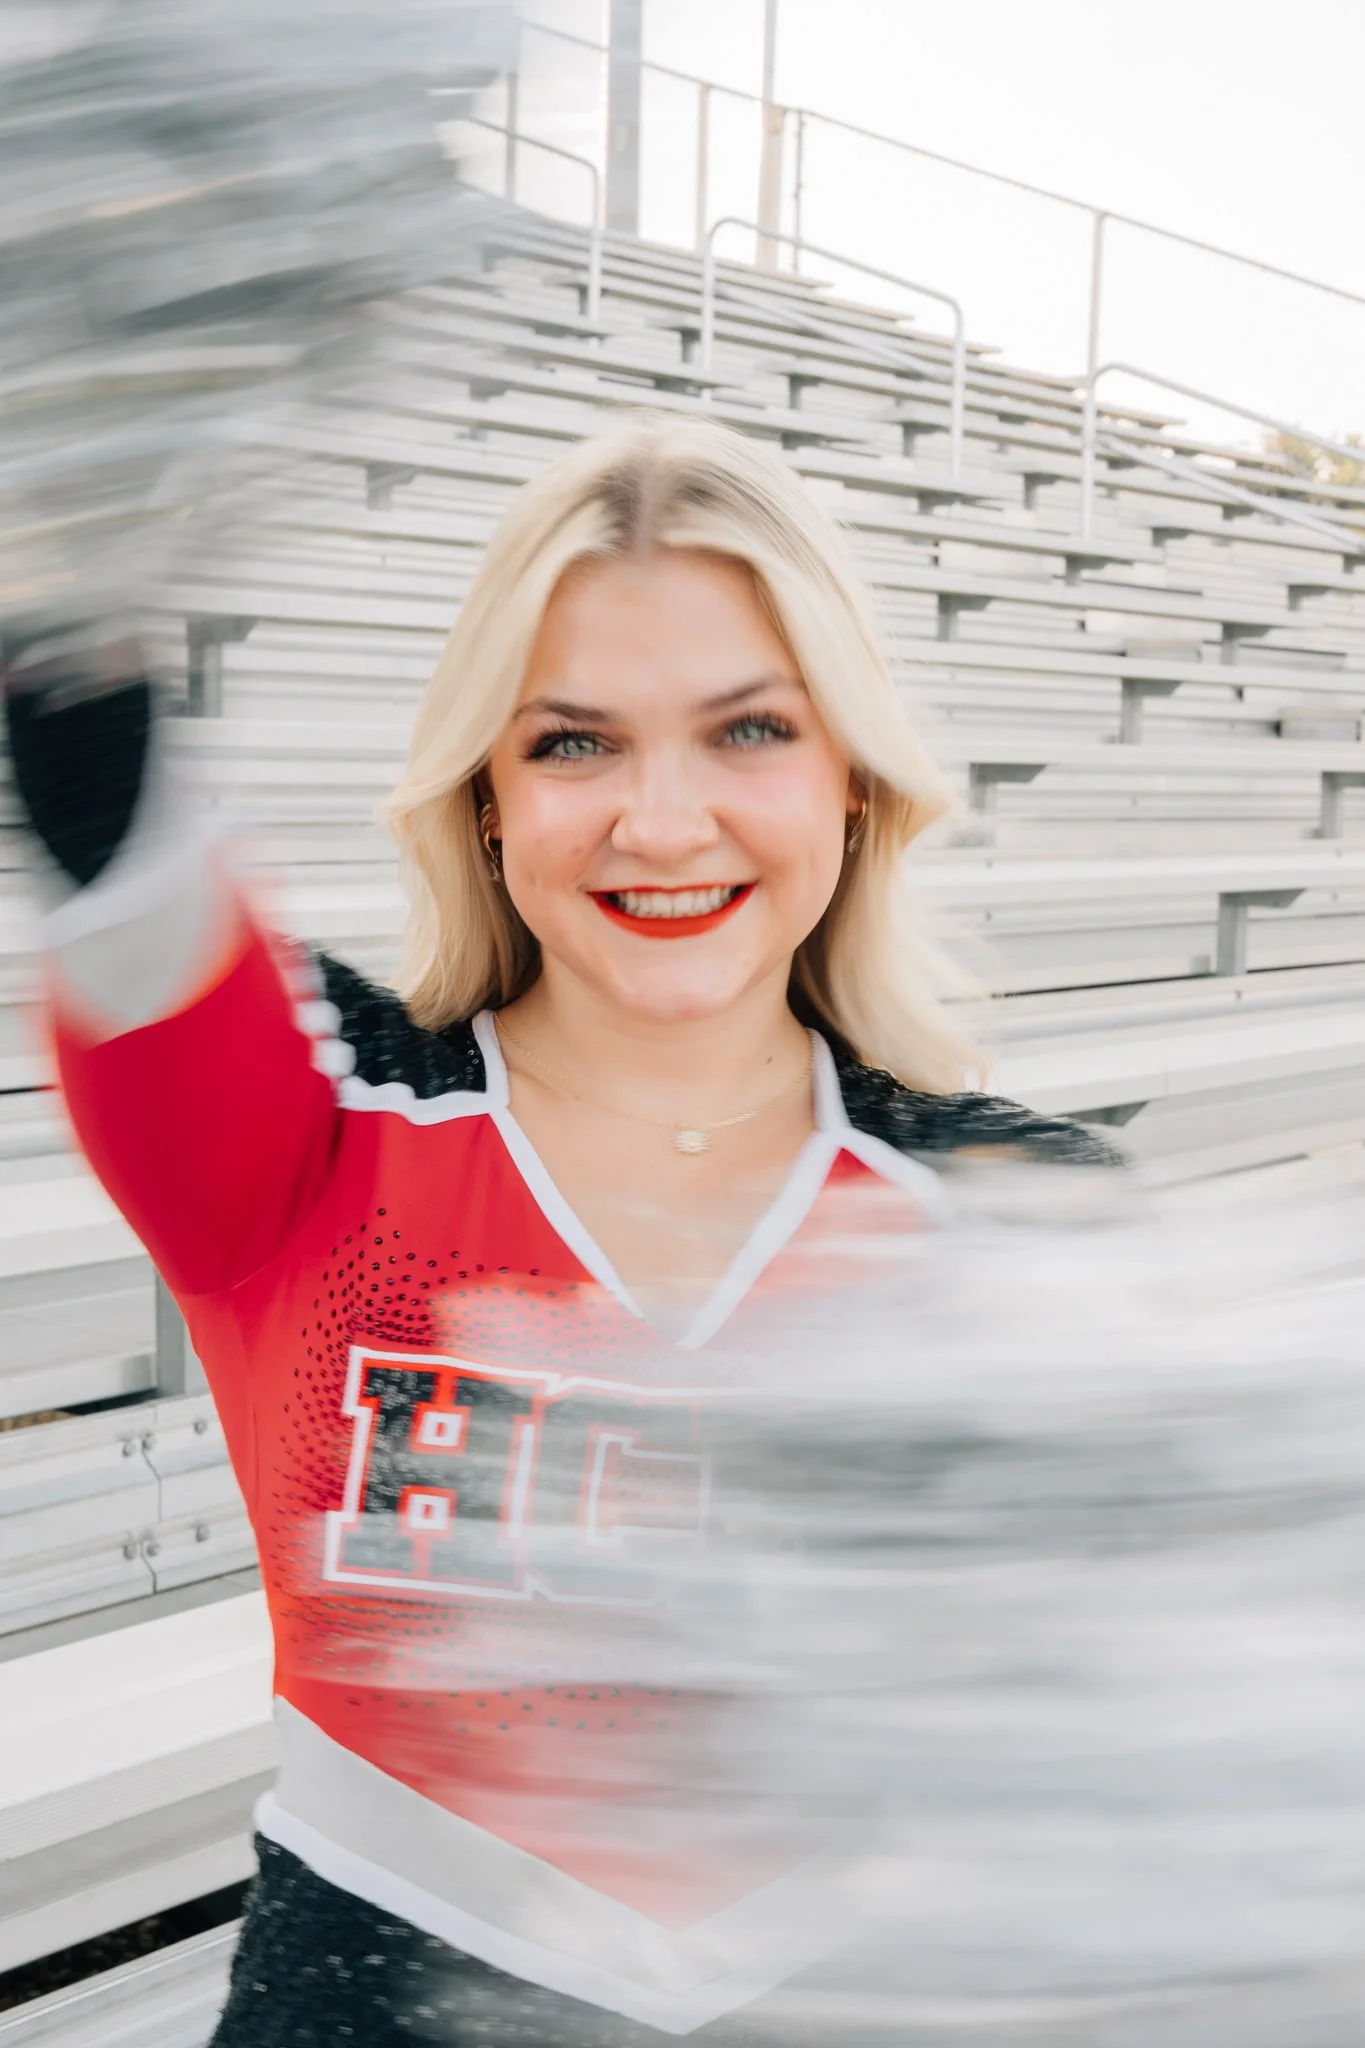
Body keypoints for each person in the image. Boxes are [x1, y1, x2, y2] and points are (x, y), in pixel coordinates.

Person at [6, 416, 1111, 2046]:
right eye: (573, 744)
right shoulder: (315, 1114)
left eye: (748, 731)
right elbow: (105, 805)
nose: (662, 825)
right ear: (487, 797)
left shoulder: (1033, 1209)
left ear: (855, 783)